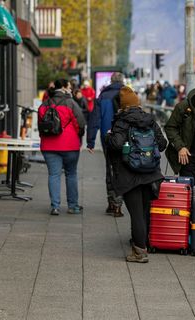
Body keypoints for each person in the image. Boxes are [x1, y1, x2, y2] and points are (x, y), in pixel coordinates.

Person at [105, 86, 167, 263]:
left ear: (123, 105)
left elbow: (116, 145)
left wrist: (108, 137)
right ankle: (142, 243)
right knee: (145, 211)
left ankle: (139, 252)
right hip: (151, 173)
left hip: (129, 174)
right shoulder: (150, 120)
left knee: (136, 214)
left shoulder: (122, 121)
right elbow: (162, 144)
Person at [38, 79, 86, 215]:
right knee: (71, 174)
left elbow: (40, 126)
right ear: (64, 88)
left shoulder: (44, 104)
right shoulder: (71, 103)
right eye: (69, 87)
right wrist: (79, 136)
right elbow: (80, 122)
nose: (71, 90)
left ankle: (55, 206)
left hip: (49, 146)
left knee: (53, 175)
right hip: (70, 145)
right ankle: (72, 206)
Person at [87, 72, 125, 217]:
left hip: (107, 138)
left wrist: (90, 141)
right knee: (122, 169)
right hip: (125, 138)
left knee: (110, 167)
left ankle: (112, 202)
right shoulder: (127, 94)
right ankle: (118, 204)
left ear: (111, 81)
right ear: (122, 81)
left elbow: (94, 119)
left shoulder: (102, 96)